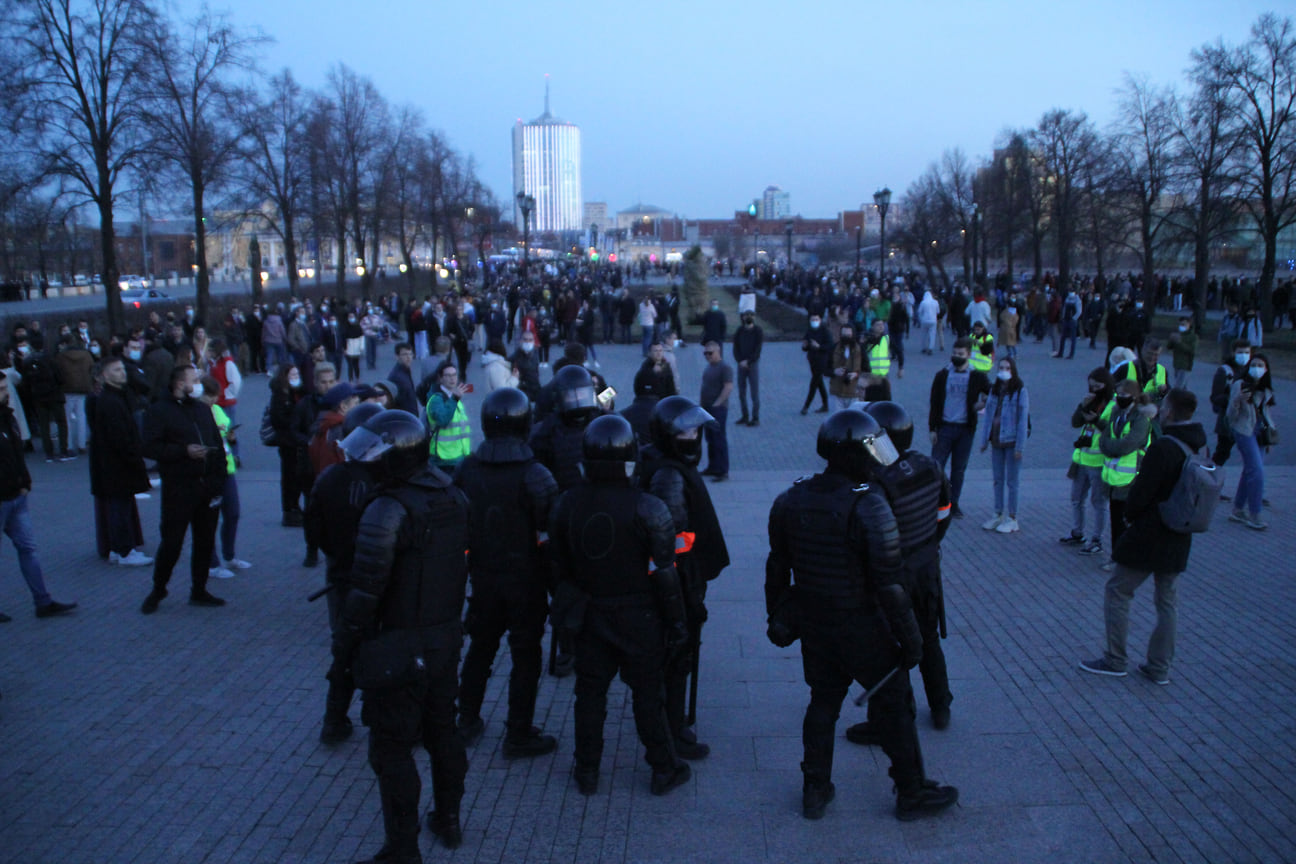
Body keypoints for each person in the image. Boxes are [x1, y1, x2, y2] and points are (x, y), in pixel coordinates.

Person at [765, 409, 957, 821]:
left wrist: (776, 615)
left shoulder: (790, 498)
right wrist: (911, 640)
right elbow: (889, 584)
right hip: (864, 625)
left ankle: (814, 788)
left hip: (816, 623)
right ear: (855, 455)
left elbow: (777, 566)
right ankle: (911, 791)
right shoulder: (868, 505)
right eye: (871, 447)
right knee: (896, 703)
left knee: (822, 703)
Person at [329, 409, 470, 856]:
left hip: (397, 645)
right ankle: (448, 818)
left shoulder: (387, 508)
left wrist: (347, 641)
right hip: (444, 638)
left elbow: (366, 590)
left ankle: (402, 847)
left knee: (390, 748)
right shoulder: (451, 495)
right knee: (443, 732)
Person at [548, 415, 692, 797]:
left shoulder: (566, 503)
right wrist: (677, 622)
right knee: (648, 694)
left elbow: (558, 565)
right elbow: (665, 573)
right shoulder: (649, 507)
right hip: (639, 615)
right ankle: (663, 766)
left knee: (590, 693)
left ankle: (588, 769)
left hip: (591, 611)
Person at [453, 388, 562, 758]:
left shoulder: (468, 468)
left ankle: (465, 718)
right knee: (525, 655)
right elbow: (551, 535)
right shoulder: (536, 475)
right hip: (525, 581)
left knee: (480, 649)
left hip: (483, 577)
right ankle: (517, 732)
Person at [1079, 388, 1206, 685]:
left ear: (1171, 411)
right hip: (1179, 534)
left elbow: (1141, 492)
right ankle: (1159, 666)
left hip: (1151, 533)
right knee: (1167, 602)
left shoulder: (1164, 447)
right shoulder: (1196, 445)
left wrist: (1131, 515)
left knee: (1118, 590)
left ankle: (1115, 658)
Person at [845, 401, 953, 745]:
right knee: (929, 639)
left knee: (889, 647)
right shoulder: (930, 465)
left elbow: (873, 539)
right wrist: (927, 546)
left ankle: (889, 720)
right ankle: (940, 705)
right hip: (927, 570)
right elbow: (944, 513)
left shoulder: (878, 482)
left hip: (895, 579)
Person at [640, 396, 731, 760]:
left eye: (697, 429)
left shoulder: (669, 466)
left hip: (681, 581)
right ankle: (671, 733)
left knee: (679, 660)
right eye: (688, 430)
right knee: (675, 661)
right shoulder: (669, 476)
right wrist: (685, 597)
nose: (695, 437)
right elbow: (671, 545)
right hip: (676, 586)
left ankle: (675, 726)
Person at [140, 365, 228, 614]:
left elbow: (216, 445)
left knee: (205, 540)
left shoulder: (202, 409)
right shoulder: (159, 411)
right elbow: (149, 447)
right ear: (180, 383)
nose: (199, 383)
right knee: (172, 542)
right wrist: (183, 451)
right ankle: (159, 589)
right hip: (179, 487)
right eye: (194, 379)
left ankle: (199, 589)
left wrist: (218, 480)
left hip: (207, 486)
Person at [0, 371, 78, 622]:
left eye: (5, 389)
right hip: (3, 497)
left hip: (17, 495)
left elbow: (16, 455)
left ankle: (43, 601)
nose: (5, 394)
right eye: (0, 389)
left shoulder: (7, 417)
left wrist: (25, 482)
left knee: (29, 548)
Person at [92, 357, 153, 566]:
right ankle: (124, 550)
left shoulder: (116, 397)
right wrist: (134, 457)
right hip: (116, 465)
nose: (123, 373)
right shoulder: (110, 401)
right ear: (106, 375)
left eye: (122, 369)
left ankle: (118, 549)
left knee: (120, 506)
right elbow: (120, 438)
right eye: (117, 370)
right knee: (120, 507)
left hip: (114, 464)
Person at [928, 338, 991, 518]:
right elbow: (934, 403)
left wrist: (981, 405)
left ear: (968, 355)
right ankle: (935, 501)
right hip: (944, 428)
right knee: (936, 466)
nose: (956, 357)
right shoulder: (942, 375)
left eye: (960, 354)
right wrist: (932, 428)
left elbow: (992, 392)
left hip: (965, 430)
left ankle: (953, 504)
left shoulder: (977, 376)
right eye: (954, 353)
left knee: (958, 469)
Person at [1098, 380, 1154, 571]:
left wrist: (1111, 448)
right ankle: (1117, 557)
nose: (1119, 398)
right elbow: (1103, 439)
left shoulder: (1141, 418)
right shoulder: (1116, 413)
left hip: (1132, 479)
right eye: (1118, 394)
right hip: (1114, 478)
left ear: (1134, 396)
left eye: (1124, 395)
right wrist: (1111, 448)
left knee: (1127, 522)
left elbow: (1128, 445)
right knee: (1116, 520)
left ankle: (1126, 559)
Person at [198, 376, 248, 578]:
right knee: (208, 519)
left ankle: (229, 555)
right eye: (208, 397)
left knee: (233, 513)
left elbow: (226, 434)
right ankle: (211, 563)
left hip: (226, 469)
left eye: (214, 396)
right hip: (208, 472)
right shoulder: (196, 414)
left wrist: (231, 437)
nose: (212, 401)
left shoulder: (217, 410)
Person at [1064, 368, 1116, 558]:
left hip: (1098, 461)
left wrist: (1097, 421)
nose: (1094, 389)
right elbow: (1075, 422)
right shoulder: (1090, 400)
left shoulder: (1113, 405)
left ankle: (1097, 540)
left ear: (1106, 385)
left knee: (1098, 502)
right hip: (1082, 458)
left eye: (1098, 386)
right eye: (1091, 385)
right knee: (1076, 498)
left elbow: (1113, 431)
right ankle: (1077, 533)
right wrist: (1082, 406)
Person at [978, 358, 1030, 534]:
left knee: (1012, 481)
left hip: (1012, 441)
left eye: (1007, 368)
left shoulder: (1019, 390)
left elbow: (1023, 420)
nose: (1004, 370)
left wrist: (1020, 447)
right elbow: (988, 416)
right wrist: (984, 440)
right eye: (1001, 367)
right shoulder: (994, 390)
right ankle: (997, 513)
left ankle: (1013, 517)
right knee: (997, 479)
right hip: (997, 440)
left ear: (1013, 370)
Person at [1227, 352, 1275, 530]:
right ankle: (1255, 513)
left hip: (1261, 432)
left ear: (1266, 369)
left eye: (1261, 365)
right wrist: (1238, 400)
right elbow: (1230, 416)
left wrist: (1270, 436)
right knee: (1257, 471)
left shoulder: (1266, 388)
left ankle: (1238, 509)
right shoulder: (1240, 385)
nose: (1257, 368)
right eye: (1254, 365)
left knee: (1250, 470)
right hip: (1243, 430)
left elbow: (1267, 413)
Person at [269, 364, 306, 527]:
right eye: (292, 375)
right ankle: (289, 510)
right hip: (287, 442)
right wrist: (295, 420)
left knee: (296, 476)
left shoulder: (297, 392)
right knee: (290, 477)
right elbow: (278, 419)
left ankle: (295, 507)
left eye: (297, 374)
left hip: (295, 440)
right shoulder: (280, 395)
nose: (296, 377)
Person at [1209, 338, 1252, 469]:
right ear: (1233, 353)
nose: (1244, 355)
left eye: (1247, 352)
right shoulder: (1225, 371)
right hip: (1227, 419)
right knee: (1222, 452)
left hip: (1247, 419)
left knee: (1250, 454)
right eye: (1240, 352)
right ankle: (1209, 475)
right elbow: (1215, 397)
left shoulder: (1251, 370)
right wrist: (1232, 398)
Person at [424, 361, 472, 472]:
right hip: (443, 459)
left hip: (459, 457)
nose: (452, 378)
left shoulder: (454, 398)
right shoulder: (436, 399)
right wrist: (454, 399)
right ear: (440, 378)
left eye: (454, 375)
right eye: (448, 375)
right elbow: (442, 420)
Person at [732, 310, 763, 426]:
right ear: (743, 317)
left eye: (750, 315)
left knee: (754, 393)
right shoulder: (739, 330)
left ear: (754, 317)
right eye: (746, 315)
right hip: (741, 365)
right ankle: (744, 416)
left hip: (752, 365)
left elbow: (758, 349)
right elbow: (735, 347)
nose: (748, 317)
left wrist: (748, 361)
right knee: (741, 392)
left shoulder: (758, 331)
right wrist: (740, 361)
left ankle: (755, 418)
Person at [800, 313, 832, 415]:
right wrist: (805, 346)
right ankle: (825, 404)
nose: (814, 321)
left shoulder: (825, 331)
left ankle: (806, 406)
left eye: (816, 319)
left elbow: (830, 346)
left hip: (822, 360)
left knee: (814, 383)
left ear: (820, 320)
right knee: (819, 382)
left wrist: (819, 346)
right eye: (812, 319)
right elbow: (805, 347)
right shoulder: (809, 331)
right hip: (812, 360)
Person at [829, 324, 864, 411]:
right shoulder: (834, 348)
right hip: (836, 392)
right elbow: (825, 369)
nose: (846, 337)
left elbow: (867, 369)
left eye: (848, 335)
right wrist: (834, 371)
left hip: (854, 393)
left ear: (853, 335)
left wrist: (856, 374)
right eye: (844, 335)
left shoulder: (860, 349)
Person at [385, 343, 419, 414]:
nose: (409, 357)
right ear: (397, 357)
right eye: (405, 354)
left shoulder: (405, 371)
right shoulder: (397, 377)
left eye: (410, 354)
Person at [1167, 317, 1198, 391]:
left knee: (1178, 387)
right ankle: (1186, 400)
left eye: (1184, 324)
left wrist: (1179, 342)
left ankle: (1176, 400)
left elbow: (1191, 350)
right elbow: (1169, 347)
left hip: (1186, 365)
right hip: (1176, 364)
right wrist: (1171, 340)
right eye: (1180, 324)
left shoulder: (1193, 337)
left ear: (1189, 325)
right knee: (1183, 387)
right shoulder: (1178, 335)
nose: (1182, 326)